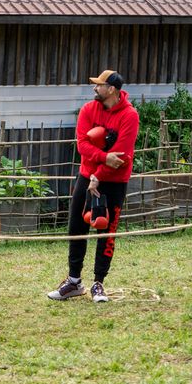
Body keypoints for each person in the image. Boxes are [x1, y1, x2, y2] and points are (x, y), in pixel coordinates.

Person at [47, 70, 139, 303]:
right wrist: (102, 161)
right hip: (86, 177)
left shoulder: (130, 115)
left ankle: (99, 283)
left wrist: (99, 174)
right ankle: (74, 281)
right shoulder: (88, 109)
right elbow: (82, 145)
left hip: (113, 181)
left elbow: (122, 156)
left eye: (99, 85)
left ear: (112, 90)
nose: (94, 88)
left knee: (105, 231)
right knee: (77, 227)